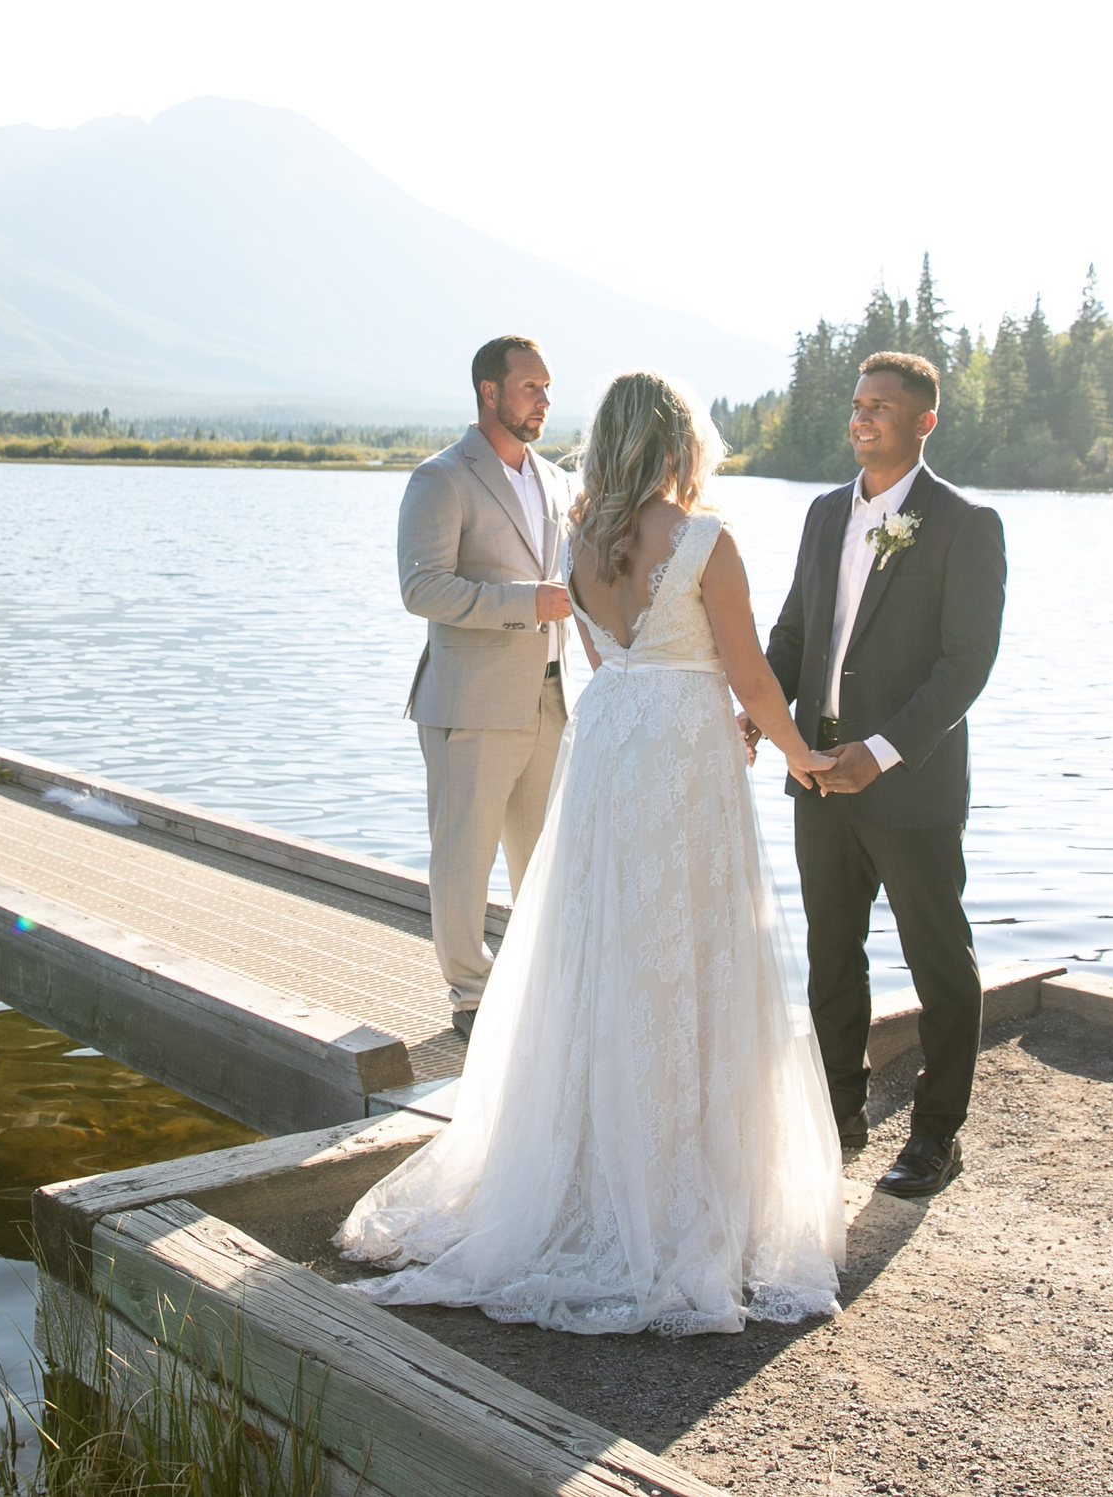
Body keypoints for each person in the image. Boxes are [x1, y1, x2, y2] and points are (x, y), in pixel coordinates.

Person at [340, 371, 845, 1336]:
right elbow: (750, 674)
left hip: (611, 752)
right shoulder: (704, 539)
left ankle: (591, 1173)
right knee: (692, 954)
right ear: (673, 443)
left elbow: (611, 661)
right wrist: (801, 754)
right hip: (685, 760)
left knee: (607, 954)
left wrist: (699, 704)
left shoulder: (578, 542)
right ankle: (680, 1195)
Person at [753, 352, 1006, 1201]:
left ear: (924, 421)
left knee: (938, 959)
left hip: (910, 786)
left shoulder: (967, 525)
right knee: (832, 954)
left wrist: (884, 751)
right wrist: (762, 708)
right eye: (857, 406)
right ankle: (837, 1113)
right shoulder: (825, 514)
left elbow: (966, 666)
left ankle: (936, 1136)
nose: (862, 420)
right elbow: (794, 630)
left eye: (882, 409)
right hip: (818, 775)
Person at [395, 335, 573, 1039]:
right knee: (463, 859)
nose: (544, 400)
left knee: (541, 860)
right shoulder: (440, 478)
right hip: (468, 704)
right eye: (531, 387)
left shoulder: (558, 481)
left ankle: (530, 987)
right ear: (489, 392)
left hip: (551, 699)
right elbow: (421, 587)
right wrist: (523, 602)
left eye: (548, 387)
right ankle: (470, 995)